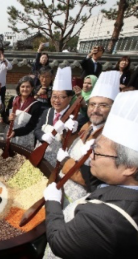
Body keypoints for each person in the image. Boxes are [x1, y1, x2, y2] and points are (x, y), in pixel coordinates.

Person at [43, 91, 138, 259]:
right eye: (92, 104)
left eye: (97, 153)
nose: (90, 157)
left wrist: (53, 203)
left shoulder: (103, 218)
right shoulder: (121, 187)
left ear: (129, 167)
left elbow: (58, 242)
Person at [56, 71, 120, 207]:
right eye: (92, 104)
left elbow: (90, 179)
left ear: (114, 108)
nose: (95, 110)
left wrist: (66, 161)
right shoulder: (87, 125)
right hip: (62, 187)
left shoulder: (111, 139)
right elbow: (74, 149)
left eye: (103, 105)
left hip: (81, 200)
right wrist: (68, 134)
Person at [34, 67, 78, 167]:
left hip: (59, 164)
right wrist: (43, 136)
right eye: (54, 96)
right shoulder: (47, 111)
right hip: (41, 157)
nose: (56, 100)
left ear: (70, 98)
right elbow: (36, 130)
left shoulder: (75, 118)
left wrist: (73, 131)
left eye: (62, 97)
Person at [4, 76, 42, 150]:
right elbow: (4, 117)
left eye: (28, 87)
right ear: (19, 88)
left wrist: (15, 132)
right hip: (9, 136)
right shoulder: (13, 100)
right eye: (22, 86)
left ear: (32, 88)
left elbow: (31, 126)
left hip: (25, 138)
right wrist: (8, 118)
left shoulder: (36, 105)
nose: (25, 89)